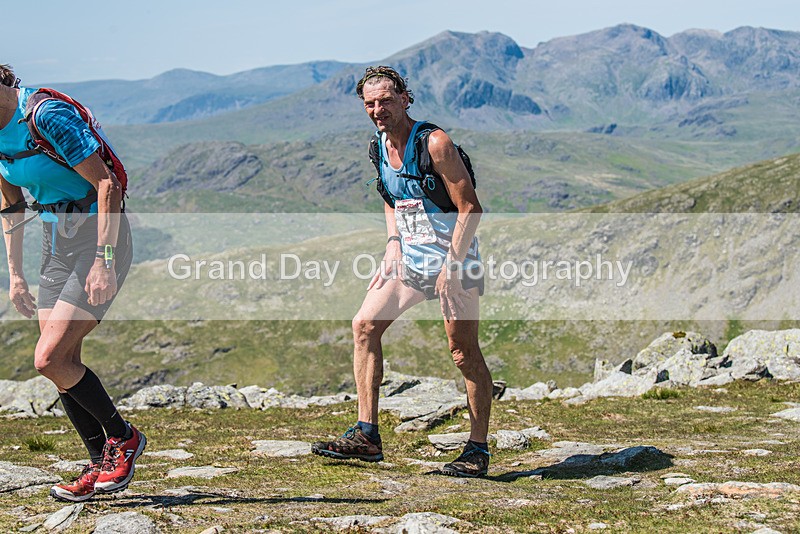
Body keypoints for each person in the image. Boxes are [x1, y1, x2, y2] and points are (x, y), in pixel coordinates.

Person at [312, 66, 493, 477]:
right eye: (370, 104)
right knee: (364, 325)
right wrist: (393, 243)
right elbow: (390, 197)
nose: (378, 110)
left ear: (406, 100)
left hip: (455, 259)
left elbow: (470, 208)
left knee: (463, 353)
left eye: (387, 102)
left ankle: (477, 450)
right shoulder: (379, 144)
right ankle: (366, 435)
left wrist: (452, 265)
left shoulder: (435, 143)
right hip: (410, 260)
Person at [0, 64, 145, 502]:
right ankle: (100, 460)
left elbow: (106, 185)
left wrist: (103, 261)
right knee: (64, 363)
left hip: (98, 238)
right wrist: (16, 275)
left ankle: (124, 438)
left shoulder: (44, 116)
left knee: (48, 358)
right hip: (55, 242)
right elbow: (10, 207)